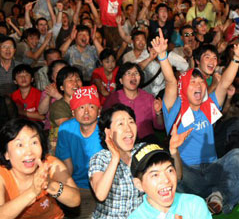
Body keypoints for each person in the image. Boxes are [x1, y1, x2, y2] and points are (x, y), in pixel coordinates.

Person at [152, 29, 239, 214]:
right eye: (192, 82)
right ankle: (222, 196)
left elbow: (225, 83)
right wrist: (163, 56)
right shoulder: (175, 108)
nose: (198, 85)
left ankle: (216, 198)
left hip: (212, 168)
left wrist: (236, 59)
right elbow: (170, 81)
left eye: (200, 82)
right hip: (188, 173)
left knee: (238, 155)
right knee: (169, 174)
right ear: (184, 89)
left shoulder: (208, 105)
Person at [89, 104, 191, 218]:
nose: (128, 129)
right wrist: (115, 158)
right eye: (121, 124)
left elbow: (177, 176)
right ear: (108, 132)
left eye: (131, 122)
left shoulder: (144, 150)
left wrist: (174, 151)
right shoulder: (100, 158)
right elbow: (100, 195)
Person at [0, 118, 80, 218]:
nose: (29, 152)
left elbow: (75, 200)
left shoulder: (51, 164)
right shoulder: (2, 174)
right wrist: (33, 191)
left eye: (34, 142)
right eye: (20, 145)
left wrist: (49, 184)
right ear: (6, 154)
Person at [55, 85, 103, 218]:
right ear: (73, 112)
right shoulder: (66, 129)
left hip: (102, 187)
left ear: (99, 111)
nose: (86, 112)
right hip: (75, 186)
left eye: (91, 106)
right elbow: (67, 168)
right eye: (81, 107)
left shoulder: (106, 130)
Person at [128, 143, 212, 219]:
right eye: (155, 175)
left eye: (169, 170)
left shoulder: (195, 205)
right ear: (139, 184)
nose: (166, 180)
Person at [103, 62, 164, 143]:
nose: (133, 76)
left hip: (145, 141)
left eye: (136, 73)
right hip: (122, 141)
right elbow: (104, 123)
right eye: (128, 73)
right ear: (121, 80)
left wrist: (158, 112)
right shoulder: (113, 98)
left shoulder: (149, 98)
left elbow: (160, 126)